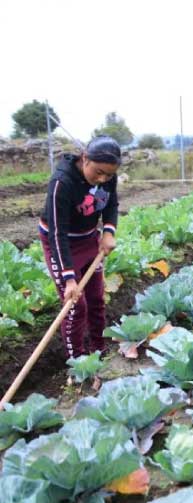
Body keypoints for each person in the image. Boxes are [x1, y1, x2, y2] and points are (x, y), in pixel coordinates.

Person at [39, 136, 122, 359]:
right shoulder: (62, 183)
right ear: (85, 158)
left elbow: (111, 204)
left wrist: (108, 231)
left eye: (108, 175)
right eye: (98, 172)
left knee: (96, 298)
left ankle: (98, 349)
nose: (102, 179)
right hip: (62, 244)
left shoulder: (108, 176)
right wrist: (68, 278)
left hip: (89, 239)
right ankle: (77, 361)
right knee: (76, 306)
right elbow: (57, 234)